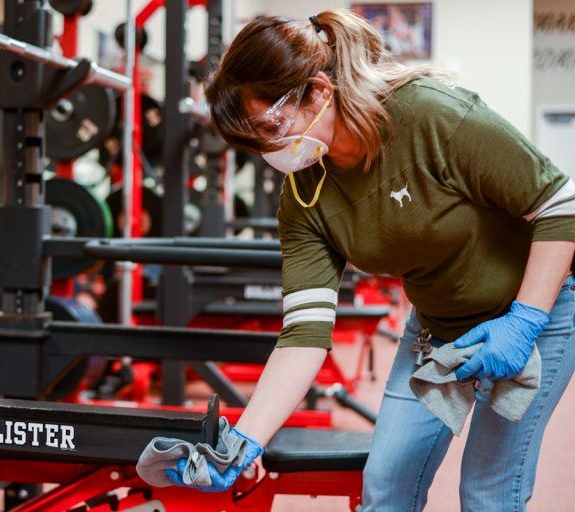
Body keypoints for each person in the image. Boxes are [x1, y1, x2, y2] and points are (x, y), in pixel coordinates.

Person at [159, 8, 575, 511]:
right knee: (386, 486)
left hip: (537, 313)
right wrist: (247, 438)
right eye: (257, 141)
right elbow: (304, 334)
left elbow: (560, 205)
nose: (271, 148)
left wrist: (526, 319)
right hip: (436, 328)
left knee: (487, 492)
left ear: (317, 90)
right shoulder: (305, 195)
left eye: (271, 126)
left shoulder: (430, 114)